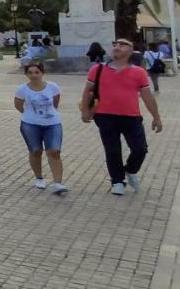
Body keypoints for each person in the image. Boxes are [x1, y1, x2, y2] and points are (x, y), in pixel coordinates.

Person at [79, 37, 164, 195]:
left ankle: (130, 170)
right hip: (104, 115)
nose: (117, 46)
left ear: (131, 51)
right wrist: (85, 111)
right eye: (115, 44)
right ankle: (117, 181)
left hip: (131, 116)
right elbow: (88, 92)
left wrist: (156, 117)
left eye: (123, 44)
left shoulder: (138, 72)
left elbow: (147, 95)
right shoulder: (97, 69)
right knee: (112, 150)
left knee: (140, 149)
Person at [14, 62, 66, 194]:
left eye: (37, 72)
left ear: (42, 73)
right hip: (30, 124)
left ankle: (58, 183)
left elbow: (55, 103)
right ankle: (39, 178)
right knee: (35, 150)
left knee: (54, 151)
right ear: (26, 74)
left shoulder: (52, 87)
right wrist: (30, 115)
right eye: (30, 73)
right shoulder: (22, 89)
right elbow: (19, 105)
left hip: (52, 123)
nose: (34, 75)